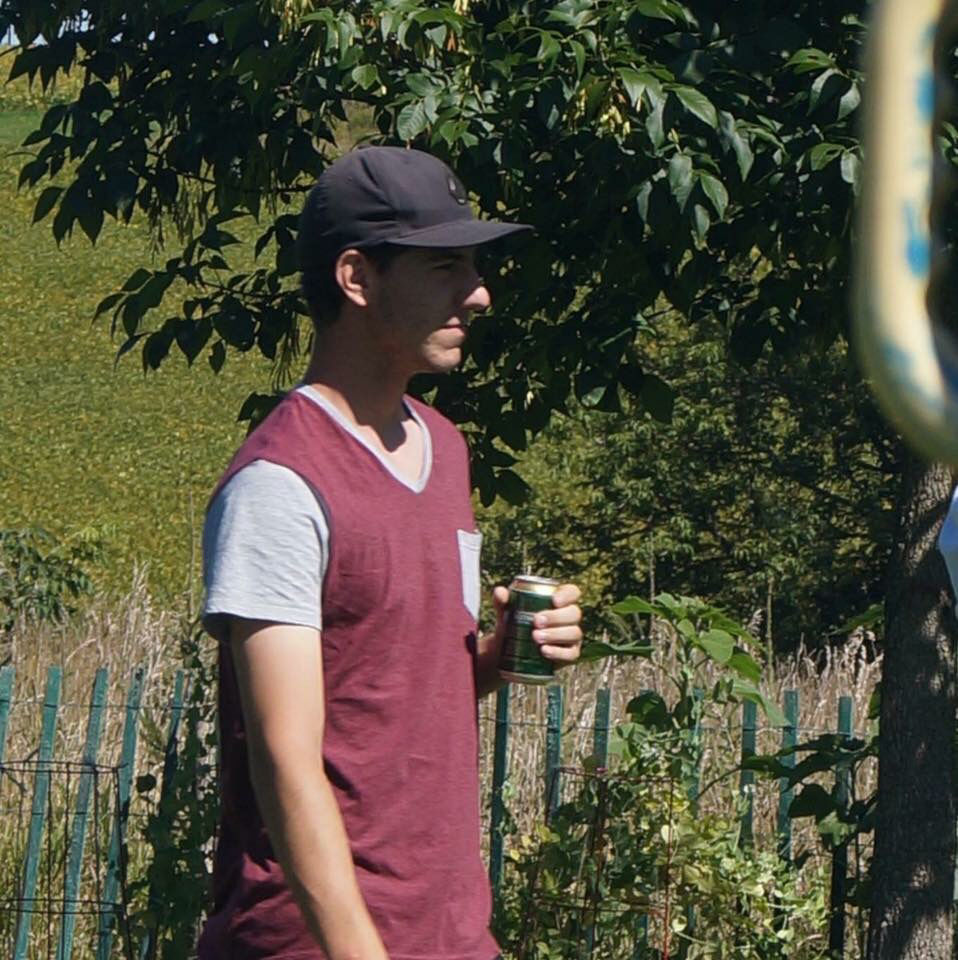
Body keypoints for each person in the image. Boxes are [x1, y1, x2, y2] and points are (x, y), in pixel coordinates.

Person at [197, 146, 584, 960]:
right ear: (356, 277)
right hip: (314, 941)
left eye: (474, 266)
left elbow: (385, 692)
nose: (478, 292)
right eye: (444, 266)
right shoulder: (278, 485)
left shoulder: (444, 449)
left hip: (447, 933)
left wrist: (501, 655)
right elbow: (285, 759)